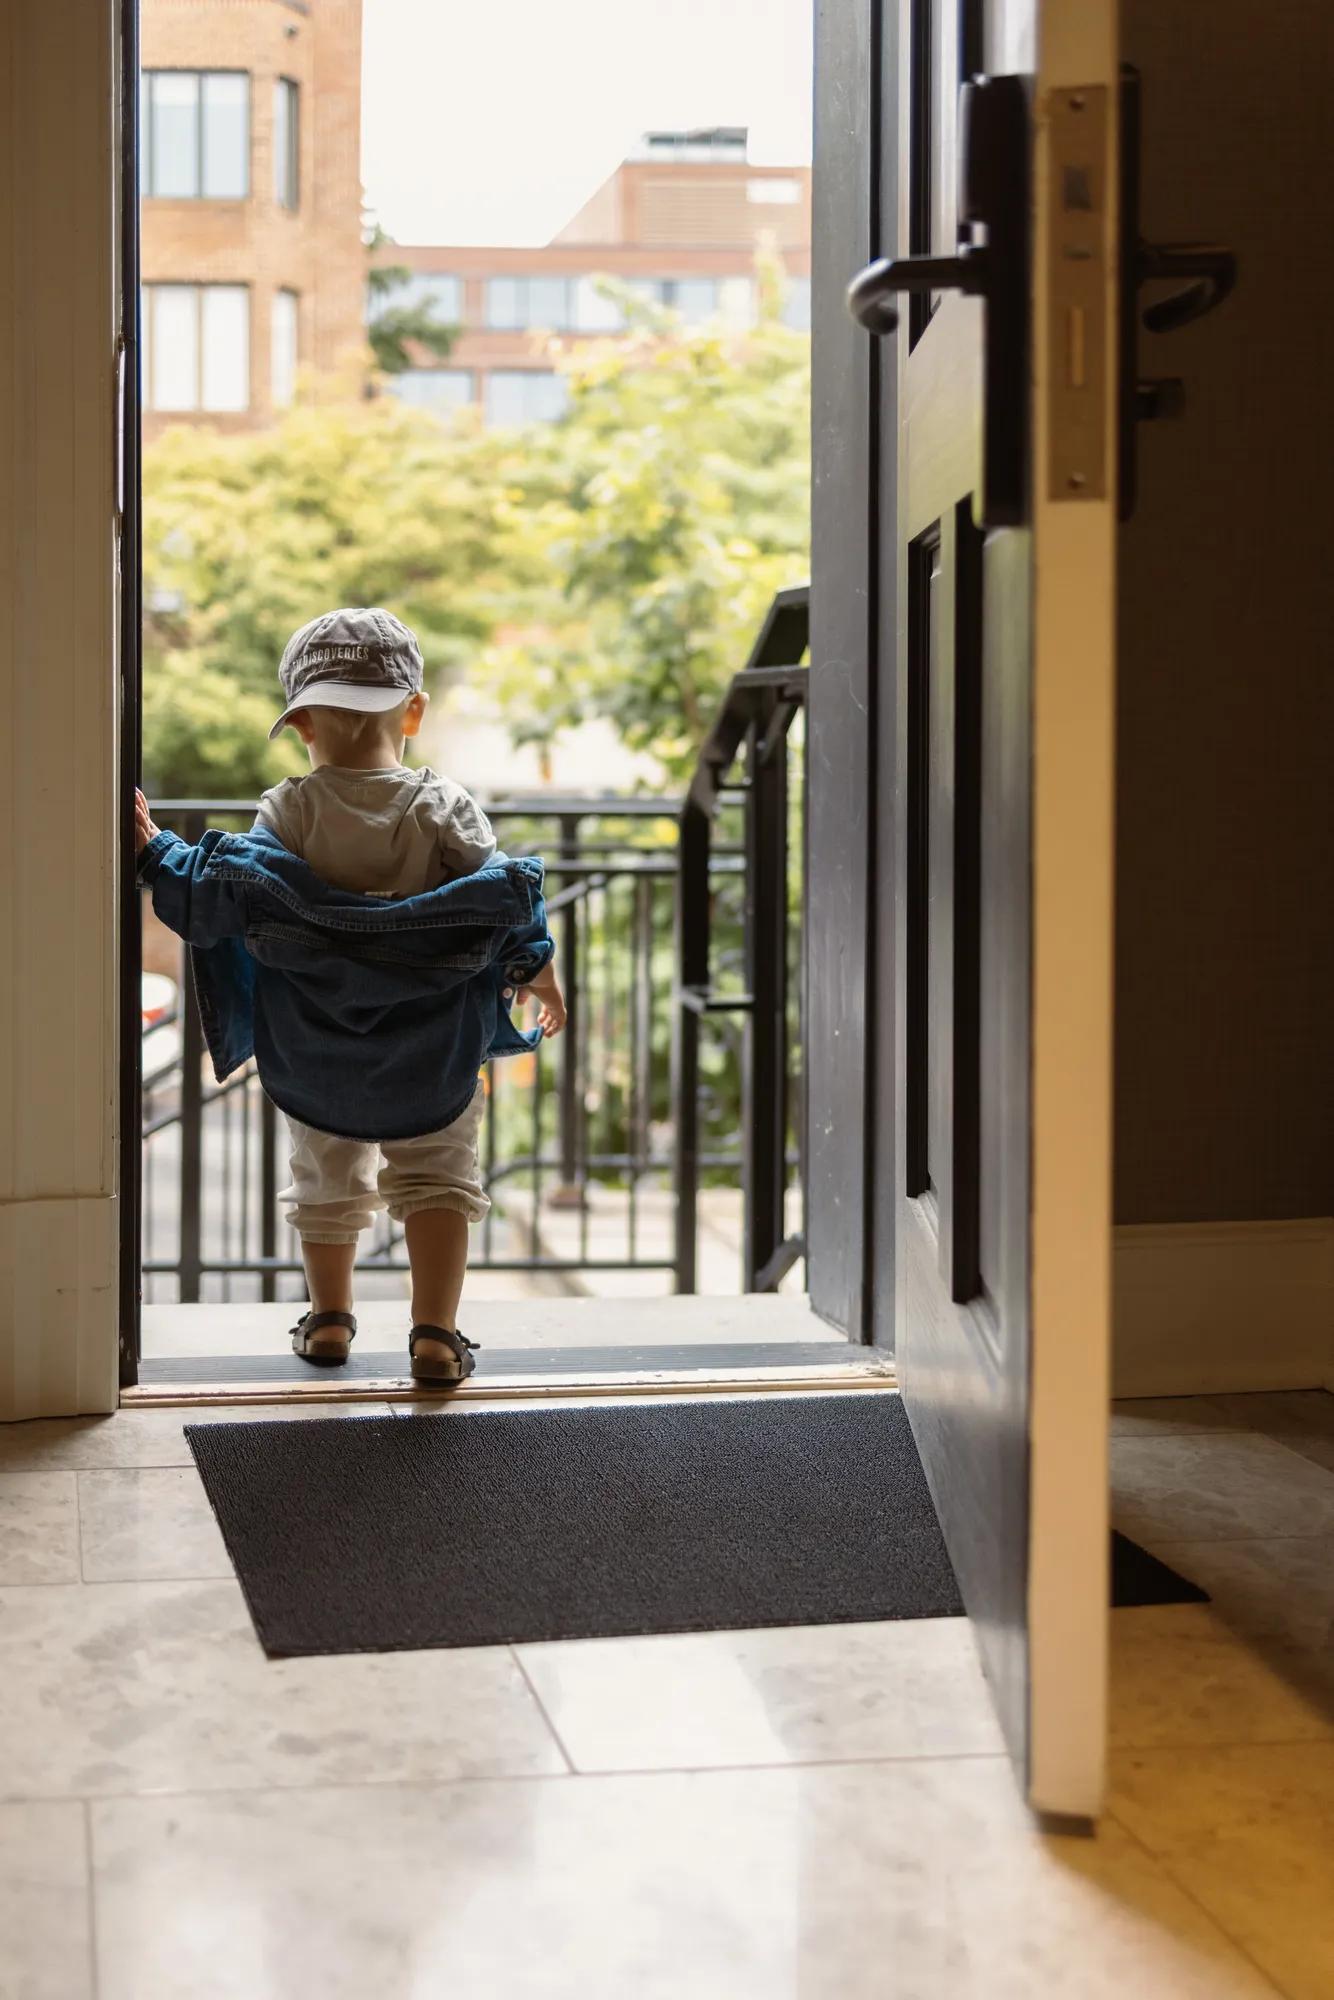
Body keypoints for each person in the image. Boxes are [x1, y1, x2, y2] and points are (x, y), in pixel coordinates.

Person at [135, 607, 564, 1385]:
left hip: (315, 1052)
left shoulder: (289, 811)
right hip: (431, 1056)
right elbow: (509, 905)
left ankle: (330, 1321)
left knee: (324, 1185)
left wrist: (156, 848)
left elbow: (221, 894)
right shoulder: (447, 809)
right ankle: (434, 1334)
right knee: (438, 1181)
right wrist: (540, 973)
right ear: (413, 711)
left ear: (300, 722)